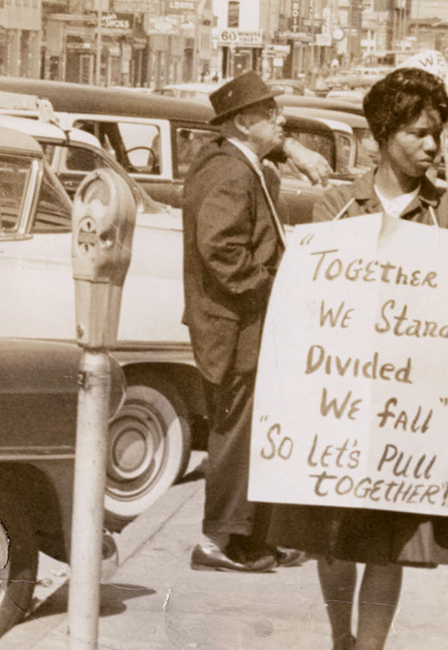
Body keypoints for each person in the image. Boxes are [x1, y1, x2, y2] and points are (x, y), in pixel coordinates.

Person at [268, 67, 448, 650]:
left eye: (437, 134)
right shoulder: (338, 208)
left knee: (391, 543)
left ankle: (370, 646)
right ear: (383, 134)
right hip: (338, 407)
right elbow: (308, 297)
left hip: (410, 414)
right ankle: (341, 635)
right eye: (418, 133)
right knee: (331, 537)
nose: (431, 146)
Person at [180, 72, 308, 573]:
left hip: (243, 326)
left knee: (253, 431)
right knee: (235, 435)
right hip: (234, 329)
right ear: (242, 122)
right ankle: (218, 542)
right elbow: (221, 249)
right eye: (270, 112)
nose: (281, 120)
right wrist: (274, 286)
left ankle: (253, 537)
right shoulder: (232, 173)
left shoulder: (238, 162)